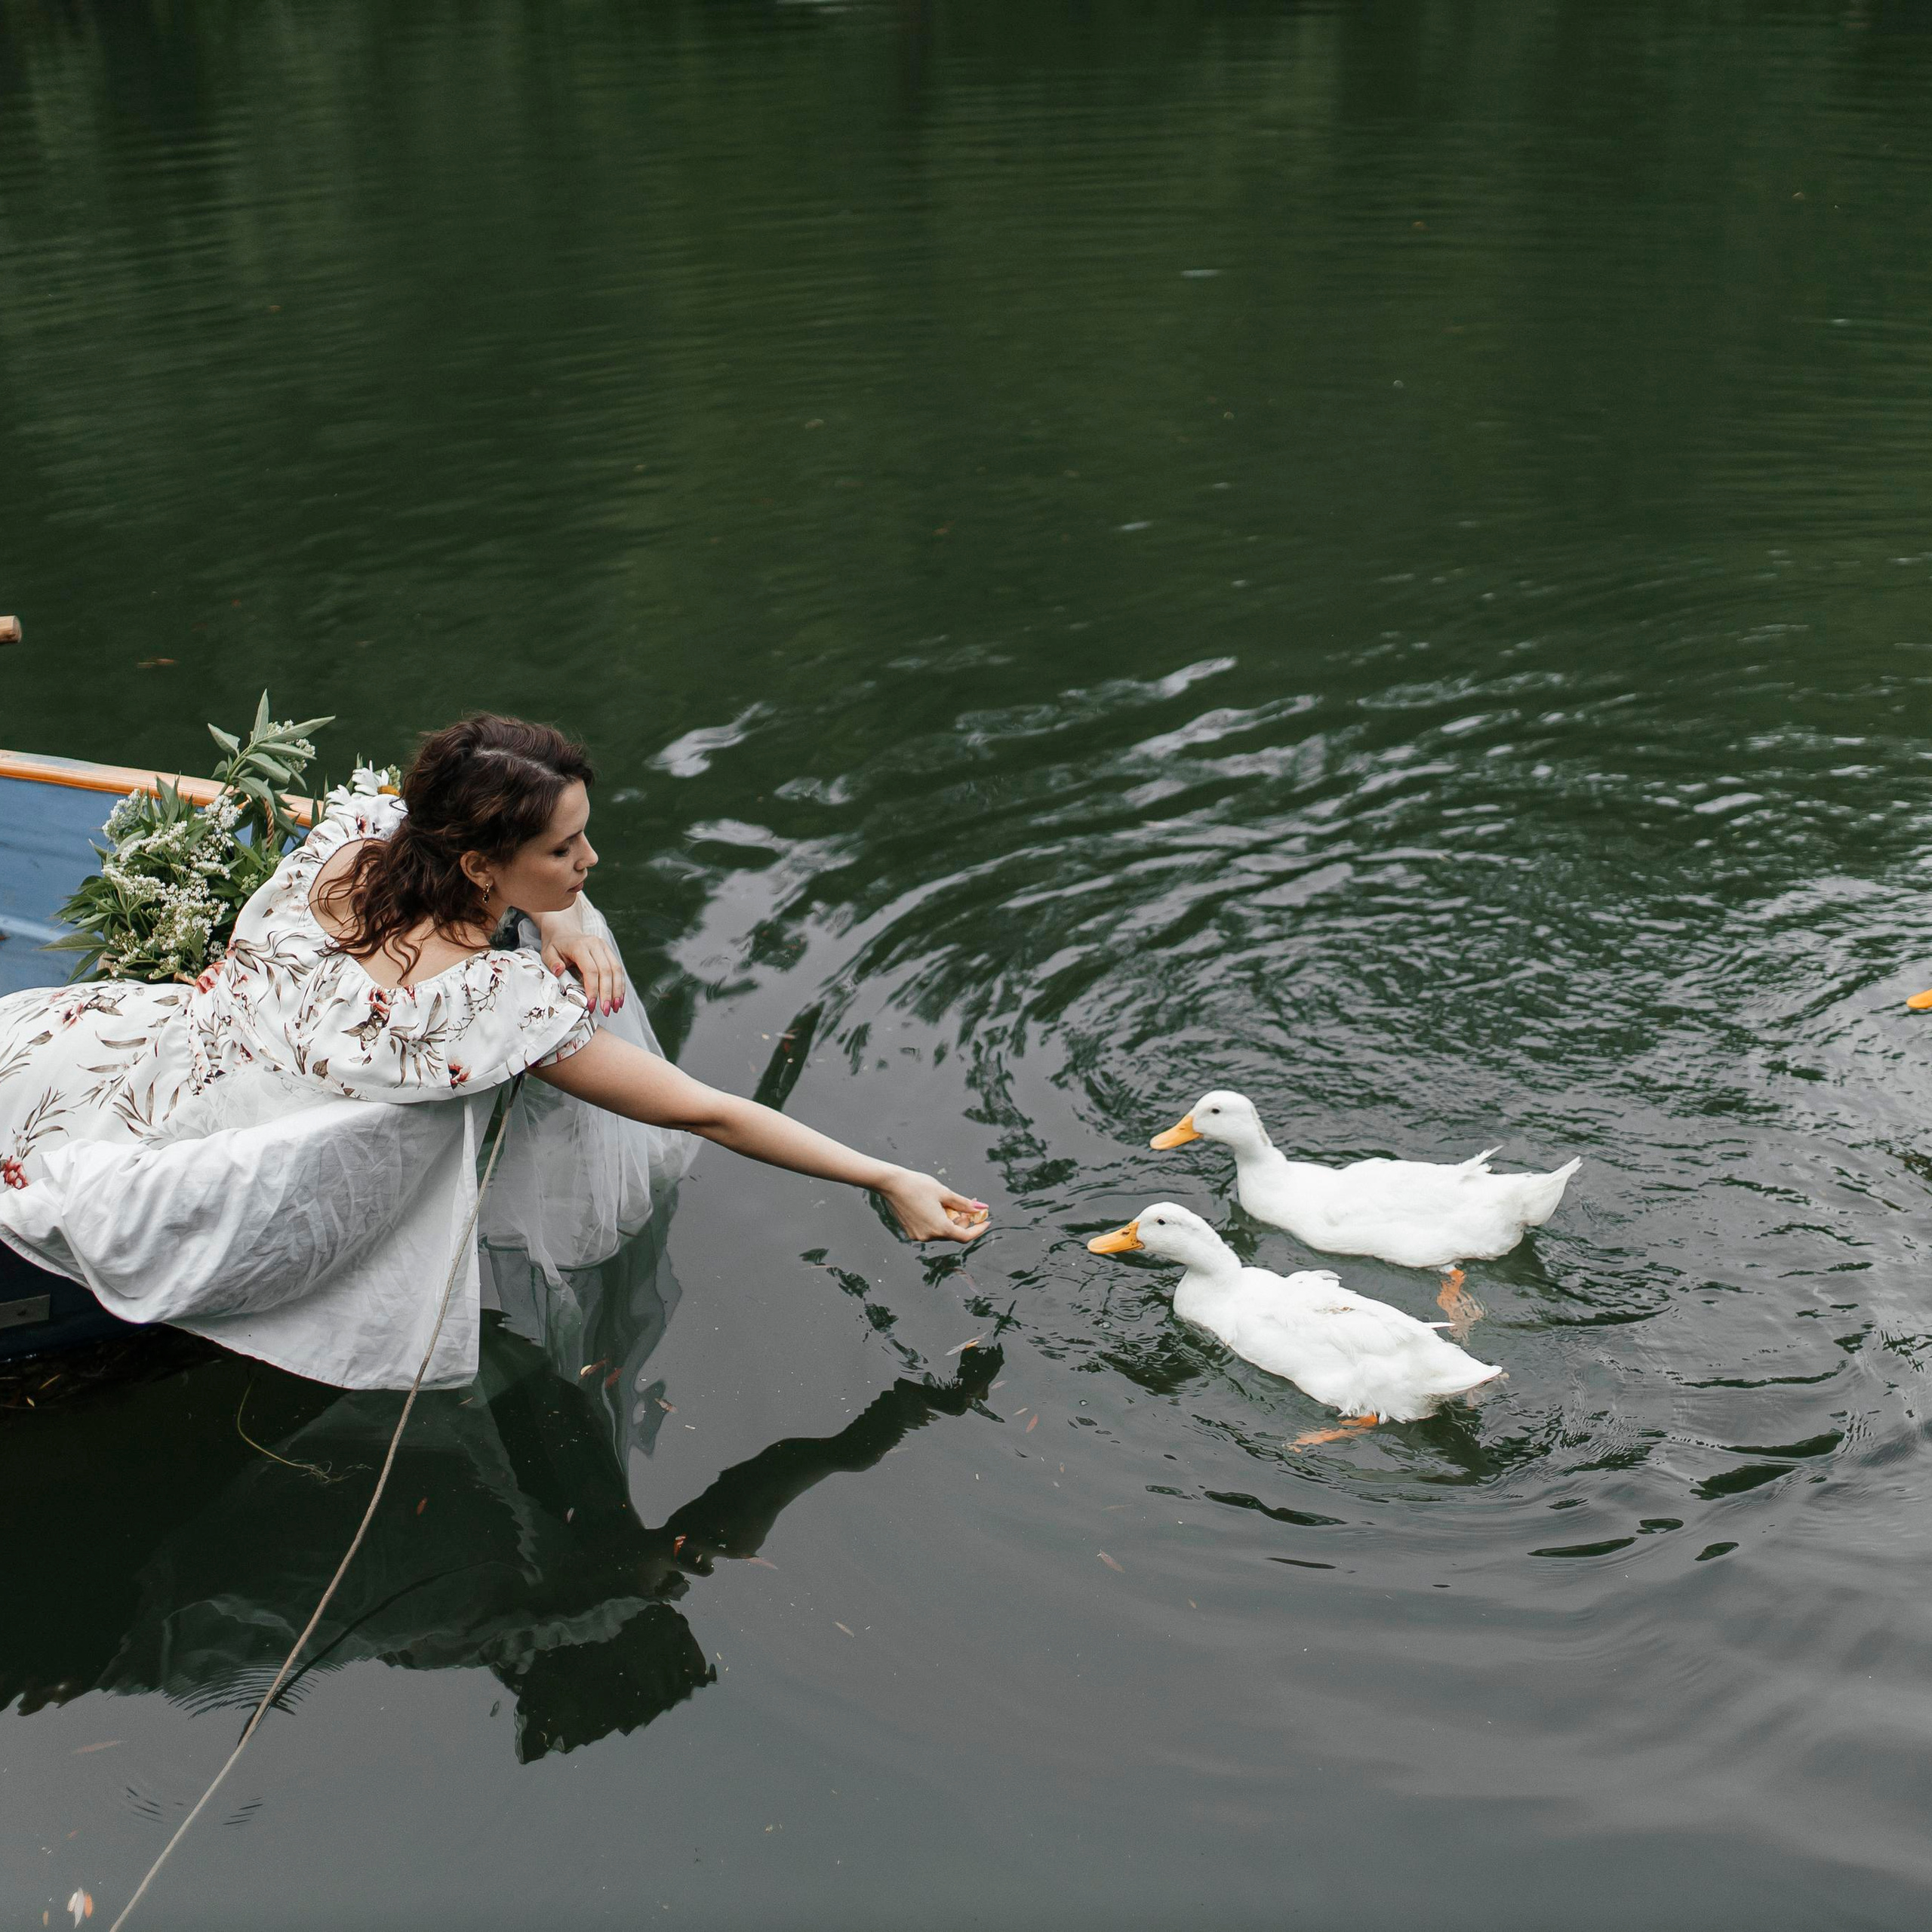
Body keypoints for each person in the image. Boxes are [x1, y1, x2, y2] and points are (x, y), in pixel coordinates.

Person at [0, 715, 988, 1388]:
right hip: (198, 1146)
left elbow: (435, 828)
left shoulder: (350, 852)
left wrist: (563, 911)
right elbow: (703, 1109)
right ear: (478, 864)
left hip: (103, 1046)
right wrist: (884, 1174)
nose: (589, 865)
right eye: (565, 853)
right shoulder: (488, 1008)